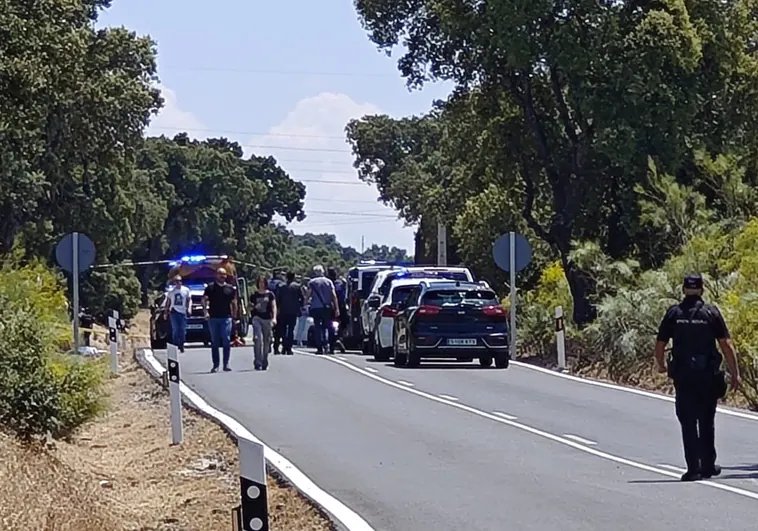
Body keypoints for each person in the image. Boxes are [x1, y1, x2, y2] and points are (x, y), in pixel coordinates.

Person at [654, 273, 740, 482]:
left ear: (684, 290)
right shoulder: (710, 313)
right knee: (706, 419)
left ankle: (693, 468)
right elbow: (726, 345)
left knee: (688, 421)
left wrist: (661, 365)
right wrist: (735, 373)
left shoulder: (674, 313)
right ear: (702, 290)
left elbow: (660, 342)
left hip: (683, 376)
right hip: (707, 375)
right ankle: (708, 465)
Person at [202, 267, 238, 373]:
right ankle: (215, 365)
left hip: (226, 317)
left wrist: (234, 316)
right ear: (216, 275)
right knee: (215, 342)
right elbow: (204, 299)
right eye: (220, 274)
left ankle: (226, 364)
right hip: (213, 318)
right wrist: (205, 311)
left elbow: (234, 302)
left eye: (224, 274)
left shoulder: (230, 288)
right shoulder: (210, 287)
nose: (222, 276)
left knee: (226, 339)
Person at [306, 265, 340, 354]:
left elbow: (308, 295)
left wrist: (305, 303)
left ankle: (319, 347)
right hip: (326, 307)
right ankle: (329, 345)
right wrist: (336, 308)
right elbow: (334, 295)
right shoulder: (329, 282)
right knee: (328, 326)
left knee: (317, 327)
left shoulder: (312, 282)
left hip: (315, 307)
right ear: (323, 272)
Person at [250, 276, 277, 370]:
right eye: (260, 282)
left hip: (267, 319)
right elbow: (249, 307)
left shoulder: (270, 294)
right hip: (257, 318)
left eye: (263, 282)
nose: (261, 284)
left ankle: (264, 359)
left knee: (267, 340)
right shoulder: (254, 295)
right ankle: (257, 361)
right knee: (257, 339)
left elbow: (274, 306)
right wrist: (253, 307)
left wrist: (274, 318)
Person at [276, 271, 303, 355]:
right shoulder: (297, 287)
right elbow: (301, 298)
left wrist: (278, 308)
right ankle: (289, 348)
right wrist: (299, 306)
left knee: (283, 330)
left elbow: (278, 299)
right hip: (293, 311)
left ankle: (284, 347)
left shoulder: (281, 287)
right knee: (291, 330)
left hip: (283, 311)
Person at [165, 275, 191, 353]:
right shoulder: (171, 291)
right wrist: (166, 312)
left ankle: (181, 344)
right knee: (176, 329)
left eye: (179, 281)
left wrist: (189, 308)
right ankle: (175, 344)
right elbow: (168, 302)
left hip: (183, 312)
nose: (178, 283)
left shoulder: (186, 290)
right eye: (176, 281)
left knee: (182, 330)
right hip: (174, 312)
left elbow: (189, 300)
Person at [327, 267, 348, 352]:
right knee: (343, 324)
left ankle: (333, 343)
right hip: (341, 306)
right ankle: (338, 338)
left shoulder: (328, 283)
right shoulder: (340, 282)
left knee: (330, 326)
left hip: (331, 307)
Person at [269, 270, 287, 354]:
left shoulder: (268, 283)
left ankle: (267, 345)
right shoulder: (281, 285)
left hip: (267, 309)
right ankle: (277, 347)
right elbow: (282, 298)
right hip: (279, 309)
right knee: (280, 329)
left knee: (268, 328)